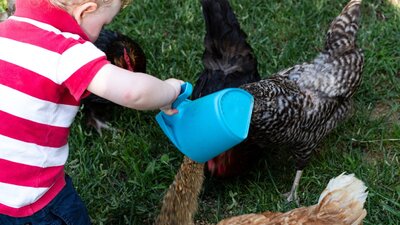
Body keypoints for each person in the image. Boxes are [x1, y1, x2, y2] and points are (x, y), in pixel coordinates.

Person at [0, 0, 183, 224]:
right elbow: (133, 92)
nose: (103, 30)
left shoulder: (4, 30)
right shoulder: (66, 51)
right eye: (105, 22)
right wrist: (169, 91)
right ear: (86, 11)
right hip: (36, 203)